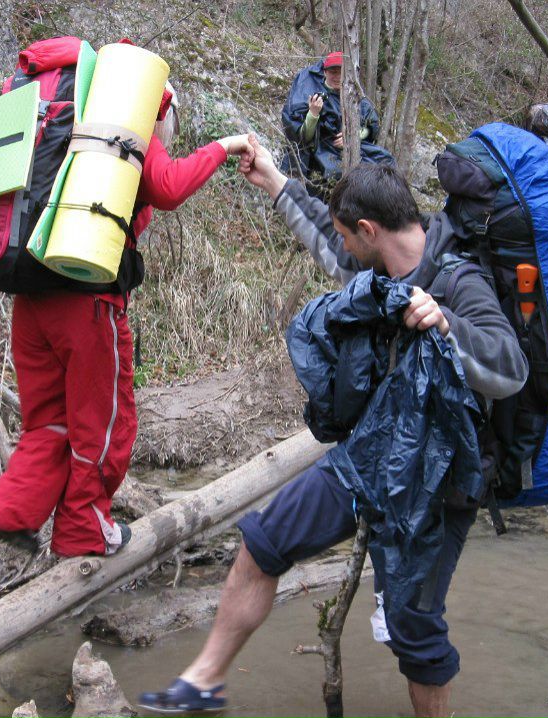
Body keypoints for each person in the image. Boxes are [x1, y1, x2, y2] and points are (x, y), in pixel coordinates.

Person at [138, 139, 527, 717]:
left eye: (350, 236)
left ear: (370, 229)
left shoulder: (459, 280)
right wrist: (273, 179)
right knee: (264, 541)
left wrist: (446, 325)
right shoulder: (376, 265)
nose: (342, 246)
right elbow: (327, 237)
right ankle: (203, 680)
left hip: (440, 480)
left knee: (412, 624)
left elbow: (510, 368)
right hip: (369, 458)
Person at [0, 85, 256, 558]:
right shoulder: (128, 128)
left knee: (48, 422)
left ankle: (9, 512)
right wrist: (225, 146)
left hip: (30, 297)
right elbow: (169, 187)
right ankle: (84, 528)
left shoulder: (68, 129)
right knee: (104, 423)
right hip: (85, 304)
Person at [280, 51, 394, 192]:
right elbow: (302, 137)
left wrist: (354, 135)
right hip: (321, 149)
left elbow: (371, 127)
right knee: (335, 174)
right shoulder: (312, 95)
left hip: (352, 148)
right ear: (325, 72)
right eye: (333, 72)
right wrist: (313, 114)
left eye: (341, 72)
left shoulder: (355, 96)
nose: (337, 77)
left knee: (386, 162)